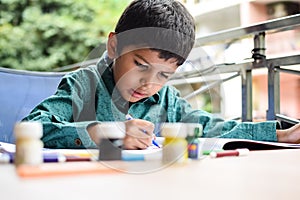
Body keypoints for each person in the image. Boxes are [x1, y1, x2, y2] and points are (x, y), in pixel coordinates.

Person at [23, 0, 300, 149]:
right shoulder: (82, 85)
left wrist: (281, 135)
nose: (149, 83)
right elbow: (31, 128)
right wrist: (107, 132)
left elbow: (213, 128)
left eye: (164, 75)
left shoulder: (167, 100)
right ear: (113, 46)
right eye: (141, 64)